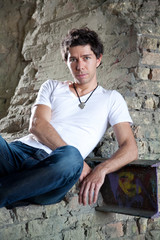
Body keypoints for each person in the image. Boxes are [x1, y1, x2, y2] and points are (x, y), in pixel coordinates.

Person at [0, 27, 138, 208]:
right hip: (17, 154)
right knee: (74, 157)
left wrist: (101, 169)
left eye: (86, 58)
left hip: (56, 171)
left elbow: (130, 148)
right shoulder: (52, 86)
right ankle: (14, 192)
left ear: (98, 59)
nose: (79, 66)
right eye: (73, 59)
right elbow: (37, 125)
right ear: (66, 61)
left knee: (72, 156)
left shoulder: (111, 98)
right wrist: (81, 163)